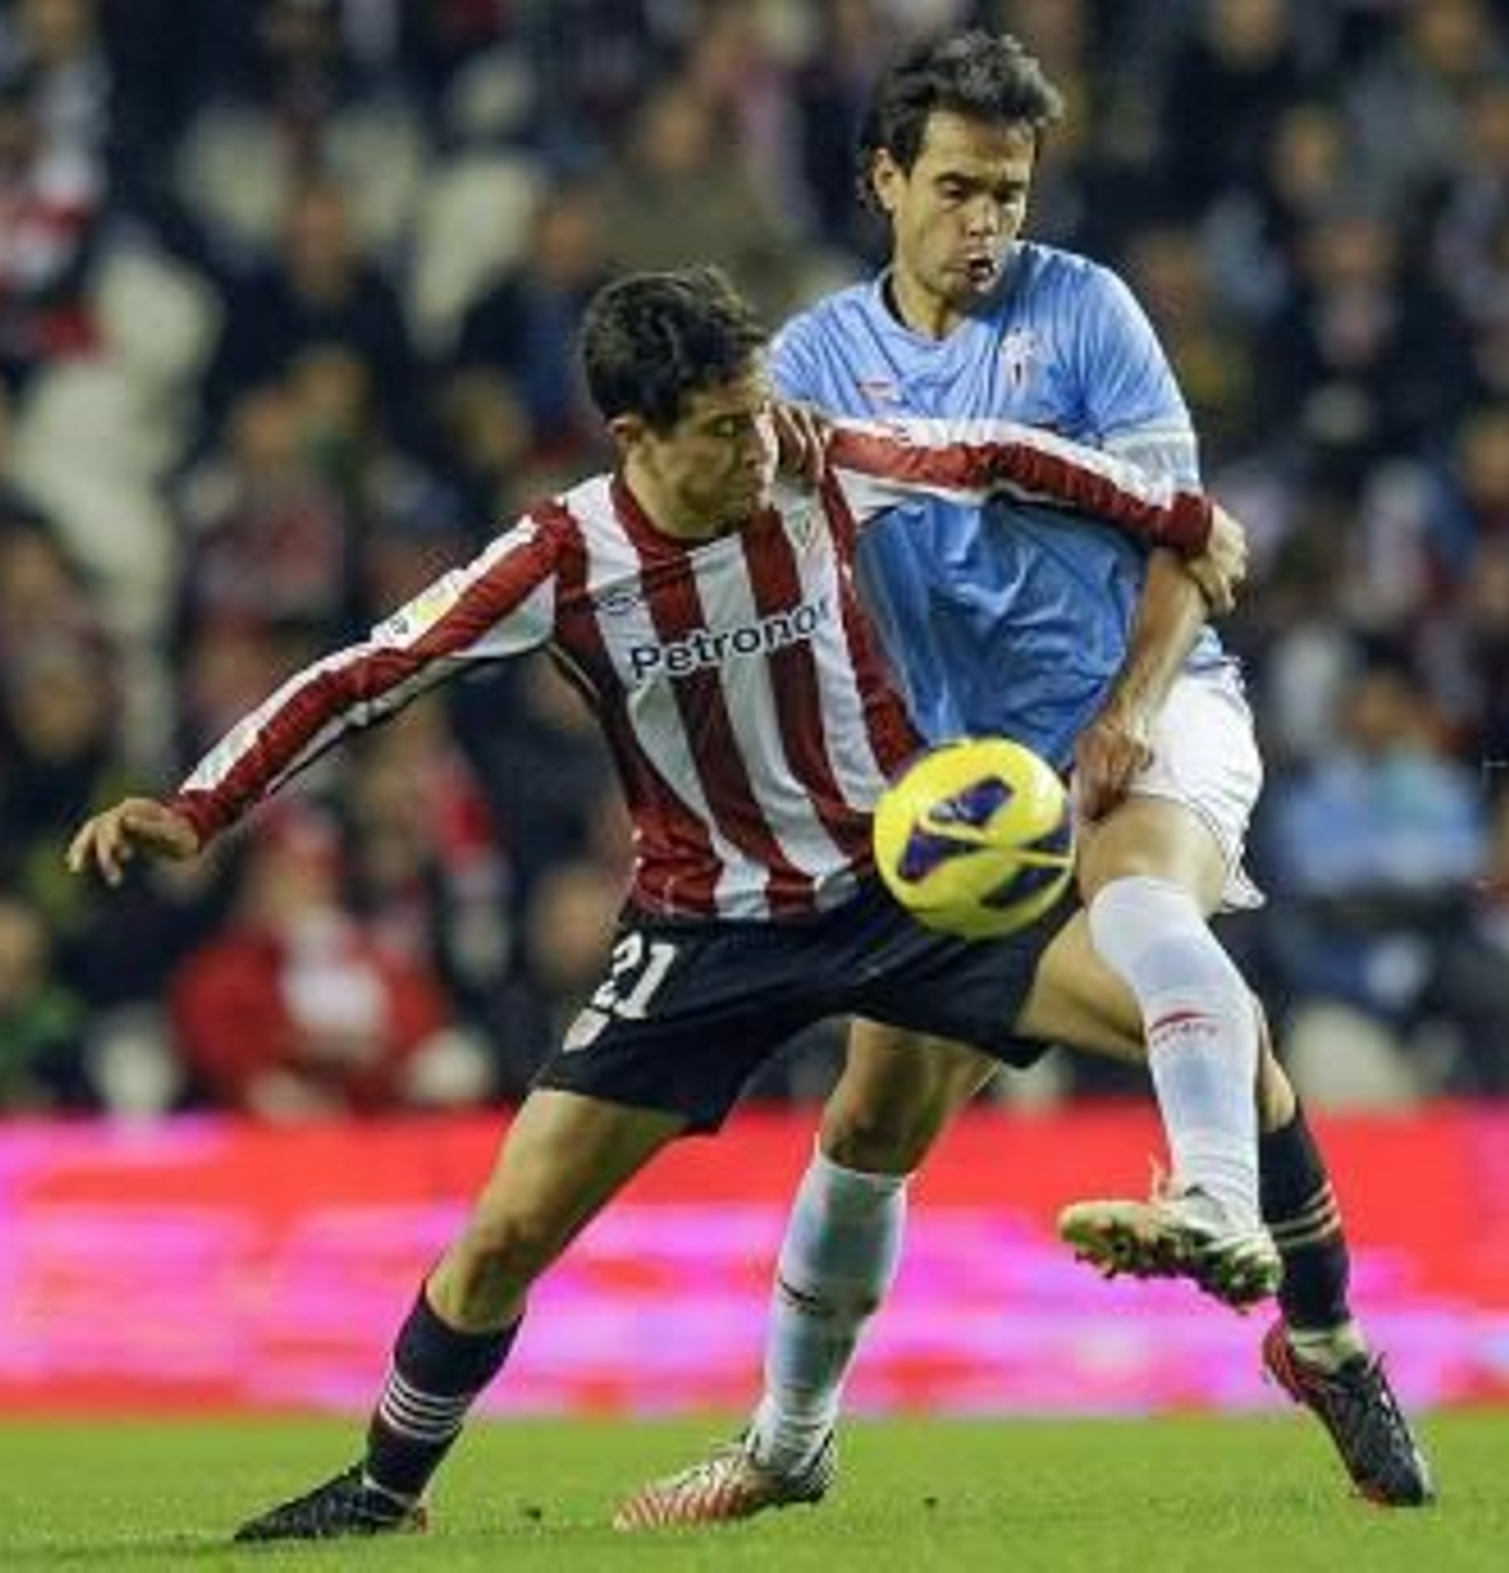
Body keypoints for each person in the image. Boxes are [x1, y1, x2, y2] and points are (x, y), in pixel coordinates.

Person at [66, 264, 1244, 1541]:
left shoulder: (818, 457)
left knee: (1186, 993)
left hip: (899, 887)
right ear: (636, 437)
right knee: (511, 1226)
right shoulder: (562, 558)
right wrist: (198, 806)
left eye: (758, 412)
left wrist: (1181, 514)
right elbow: (367, 676)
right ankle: (385, 1490)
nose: (758, 447)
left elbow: (1007, 457)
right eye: (723, 429)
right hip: (703, 927)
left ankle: (1279, 1262)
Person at [616, 31, 1433, 1528]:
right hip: (958, 792)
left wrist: (1124, 708)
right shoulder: (806, 365)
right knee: (875, 1115)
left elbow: (1192, 540)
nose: (988, 222)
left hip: (1146, 707)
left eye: (1010, 191)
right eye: (958, 189)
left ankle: (1225, 1222)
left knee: (1145, 904)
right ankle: (791, 1445)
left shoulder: (1092, 314)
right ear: (883, 179)